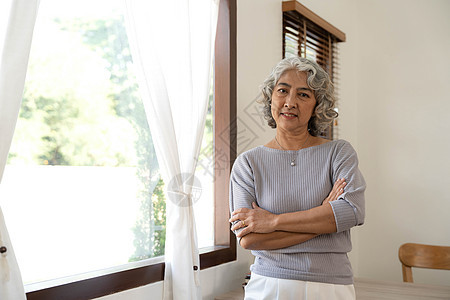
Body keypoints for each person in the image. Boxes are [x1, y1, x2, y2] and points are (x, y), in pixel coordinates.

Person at [229, 56, 365, 300]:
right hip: (268, 285)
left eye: (303, 94)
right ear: (271, 97)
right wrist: (323, 216)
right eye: (283, 90)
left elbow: (351, 212)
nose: (290, 102)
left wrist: (272, 222)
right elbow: (248, 239)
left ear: (317, 105)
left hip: (331, 287)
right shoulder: (248, 163)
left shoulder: (339, 153)